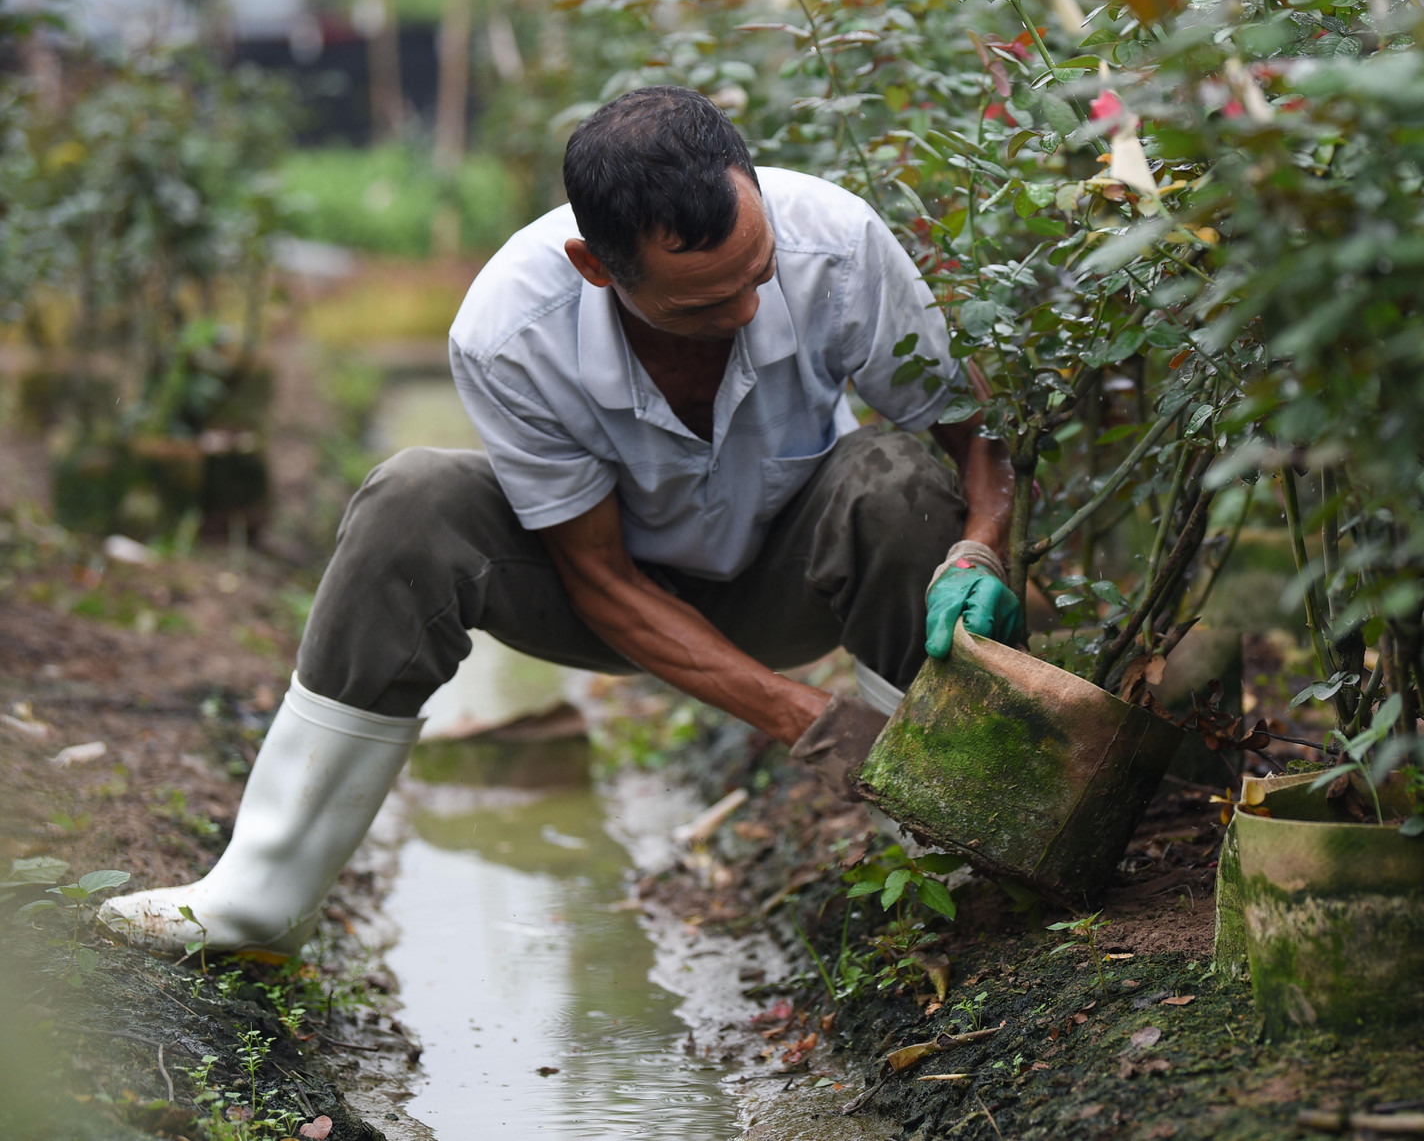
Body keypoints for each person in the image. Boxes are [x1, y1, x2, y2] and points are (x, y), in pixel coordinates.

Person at [101, 86, 1027, 956]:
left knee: (895, 476)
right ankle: (253, 897)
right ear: (597, 268)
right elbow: (602, 581)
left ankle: (954, 850)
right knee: (411, 500)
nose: (748, 309)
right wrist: (812, 724)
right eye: (705, 303)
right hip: (606, 594)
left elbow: (972, 430)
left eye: (758, 275)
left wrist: (979, 542)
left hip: (797, 574)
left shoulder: (837, 245)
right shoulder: (511, 329)